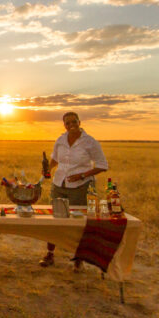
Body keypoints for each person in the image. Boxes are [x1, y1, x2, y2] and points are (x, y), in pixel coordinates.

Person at [39, 111, 108, 271]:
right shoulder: (61, 140)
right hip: (59, 184)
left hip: (81, 187)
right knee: (56, 219)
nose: (71, 125)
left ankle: (79, 258)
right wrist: (47, 170)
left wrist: (82, 175)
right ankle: (50, 254)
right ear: (64, 125)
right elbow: (55, 159)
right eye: (67, 123)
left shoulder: (90, 142)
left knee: (78, 222)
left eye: (73, 122)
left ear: (79, 122)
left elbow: (102, 165)